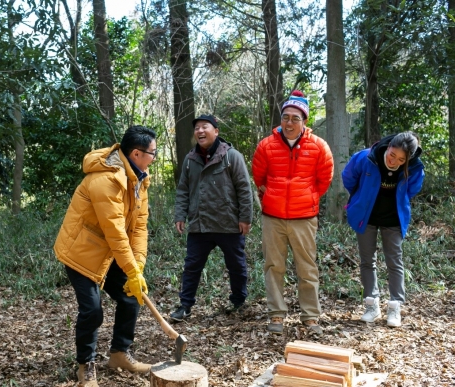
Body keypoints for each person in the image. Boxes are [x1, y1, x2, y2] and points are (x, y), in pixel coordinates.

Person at [53, 126, 157, 387]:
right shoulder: (105, 179)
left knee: (131, 297)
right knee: (92, 311)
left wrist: (139, 266)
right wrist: (131, 269)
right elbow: (115, 231)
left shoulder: (139, 178)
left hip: (109, 252)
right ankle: (85, 365)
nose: (154, 158)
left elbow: (139, 227)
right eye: (152, 154)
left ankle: (119, 354)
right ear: (136, 153)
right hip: (81, 252)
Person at [252, 90, 334, 335]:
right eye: (285, 117)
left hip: (304, 218)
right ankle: (276, 314)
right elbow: (259, 177)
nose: (289, 123)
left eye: (295, 118)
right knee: (273, 266)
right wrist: (271, 196)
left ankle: (310, 316)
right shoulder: (266, 145)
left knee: (307, 267)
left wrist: (306, 197)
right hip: (272, 217)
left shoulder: (319, 147)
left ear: (304, 121)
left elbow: (324, 180)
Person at [170, 115, 253, 321]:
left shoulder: (232, 156)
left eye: (204, 127)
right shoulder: (190, 160)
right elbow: (183, 190)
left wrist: (245, 218)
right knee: (191, 266)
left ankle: (238, 302)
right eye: (196, 128)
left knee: (236, 265)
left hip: (229, 223)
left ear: (216, 131)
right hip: (200, 225)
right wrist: (180, 214)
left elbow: (244, 188)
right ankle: (185, 305)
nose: (200, 131)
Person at [342, 132, 424, 327]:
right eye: (392, 155)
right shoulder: (366, 158)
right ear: (388, 147)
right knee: (367, 260)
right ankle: (372, 304)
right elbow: (348, 177)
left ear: (408, 159)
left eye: (401, 159)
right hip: (366, 216)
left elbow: (413, 188)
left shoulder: (414, 168)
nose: (394, 161)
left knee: (394, 261)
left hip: (393, 219)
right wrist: (360, 198)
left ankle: (395, 307)